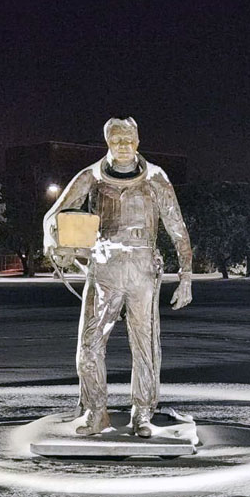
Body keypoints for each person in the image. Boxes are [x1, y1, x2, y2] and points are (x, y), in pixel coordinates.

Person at [43, 117, 192, 437]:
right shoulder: (92, 177)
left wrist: (186, 276)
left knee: (145, 346)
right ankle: (96, 411)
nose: (123, 146)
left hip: (142, 270)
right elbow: (52, 216)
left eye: (128, 140)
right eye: (116, 140)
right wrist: (55, 242)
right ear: (107, 143)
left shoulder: (156, 178)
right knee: (90, 344)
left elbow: (177, 227)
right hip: (103, 269)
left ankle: (142, 413)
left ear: (137, 142)